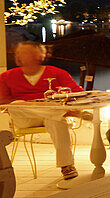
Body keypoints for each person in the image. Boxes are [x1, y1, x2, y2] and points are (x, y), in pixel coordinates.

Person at [0, 41, 84, 180]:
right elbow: (3, 102)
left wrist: (64, 102)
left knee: (57, 121)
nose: (19, 56)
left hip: (49, 117)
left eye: (24, 52)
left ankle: (67, 166)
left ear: (39, 56)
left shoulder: (57, 73)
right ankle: (57, 111)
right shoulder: (6, 76)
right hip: (24, 118)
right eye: (18, 53)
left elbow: (76, 93)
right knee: (17, 104)